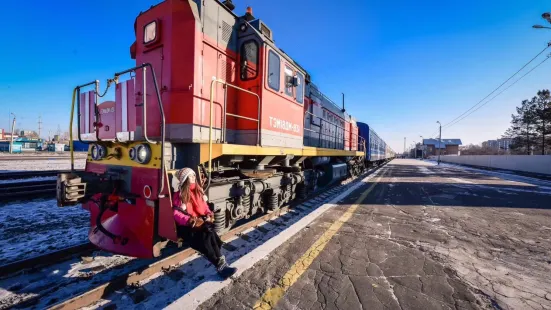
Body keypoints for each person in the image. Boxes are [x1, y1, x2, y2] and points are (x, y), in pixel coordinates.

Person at [172, 168, 237, 279]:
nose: (194, 177)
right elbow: (176, 213)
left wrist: (208, 215)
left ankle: (221, 264)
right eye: (191, 176)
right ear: (185, 179)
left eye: (193, 175)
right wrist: (190, 221)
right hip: (188, 227)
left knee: (209, 231)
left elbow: (205, 207)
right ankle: (221, 264)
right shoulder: (180, 195)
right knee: (207, 234)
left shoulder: (198, 191)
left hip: (201, 223)